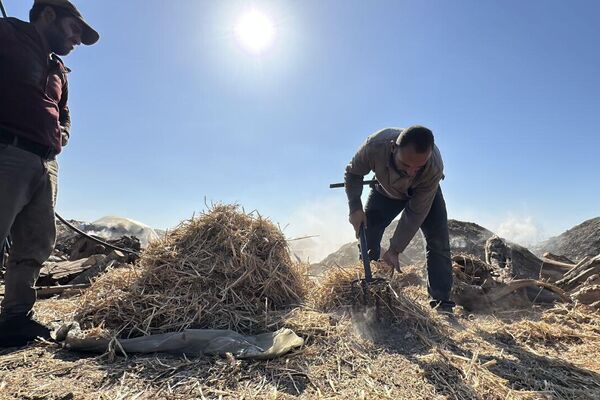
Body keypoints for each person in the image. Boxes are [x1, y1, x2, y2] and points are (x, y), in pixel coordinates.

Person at [0, 0, 99, 347]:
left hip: (45, 163)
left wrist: (62, 135)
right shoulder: (8, 35)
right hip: (7, 152)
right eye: (74, 30)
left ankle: (14, 319)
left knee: (36, 243)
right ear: (47, 15)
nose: (76, 41)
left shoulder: (59, 70)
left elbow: (64, 113)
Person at [344, 126, 455, 313]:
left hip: (425, 193)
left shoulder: (434, 166)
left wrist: (395, 249)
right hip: (385, 191)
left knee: (438, 241)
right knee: (368, 233)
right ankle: (370, 293)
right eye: (405, 165)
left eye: (418, 167)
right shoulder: (375, 146)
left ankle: (441, 303)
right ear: (393, 148)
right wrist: (355, 207)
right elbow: (353, 173)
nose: (411, 172)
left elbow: (415, 214)